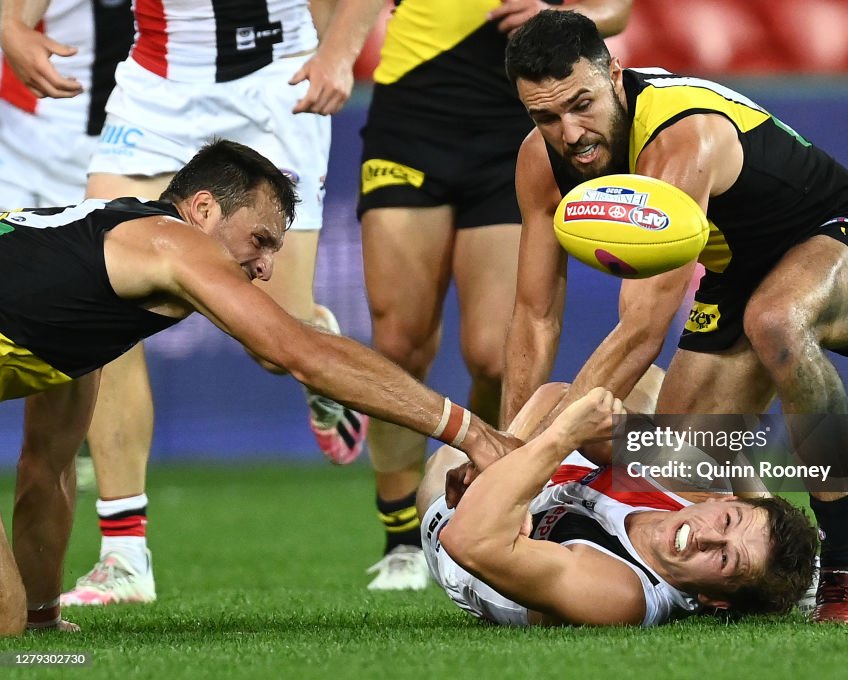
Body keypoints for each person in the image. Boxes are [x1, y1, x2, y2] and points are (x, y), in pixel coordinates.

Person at [0, 140, 516, 635]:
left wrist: (39, 619)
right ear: (202, 209)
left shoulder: (78, 288)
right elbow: (301, 352)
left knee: (15, 621)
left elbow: (46, 469)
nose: (266, 268)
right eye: (260, 240)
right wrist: (468, 432)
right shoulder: (170, 240)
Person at [501, 11, 848, 623]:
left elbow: (641, 328)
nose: (570, 132)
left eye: (581, 104)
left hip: (841, 229)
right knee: (684, 464)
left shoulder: (677, 139)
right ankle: (797, 561)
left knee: (778, 321)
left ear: (614, 73)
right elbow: (532, 316)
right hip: (737, 268)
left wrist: (532, 464)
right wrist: (507, 456)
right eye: (546, 117)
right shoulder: (540, 161)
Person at [1, 0, 384, 606]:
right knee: (103, 302)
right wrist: (12, 26)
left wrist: (339, 47)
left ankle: (314, 334)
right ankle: (124, 553)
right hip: (156, 82)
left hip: (277, 78)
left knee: (277, 345)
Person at [356, 0, 632, 591]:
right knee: (398, 343)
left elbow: (615, 14)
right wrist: (333, 55)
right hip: (414, 114)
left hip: (514, 119)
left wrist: (552, 13)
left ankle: (487, 481)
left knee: (488, 354)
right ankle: (401, 530)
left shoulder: (564, 133)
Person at [417, 383, 818, 625]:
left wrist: (556, 440)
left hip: (458, 525)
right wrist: (506, 453)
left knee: (447, 462)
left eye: (726, 560)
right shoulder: (691, 482)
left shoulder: (622, 594)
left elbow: (468, 539)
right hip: (549, 477)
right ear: (722, 499)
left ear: (715, 601)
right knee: (656, 389)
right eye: (728, 520)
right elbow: (558, 394)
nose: (707, 537)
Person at [0, 0, 134, 492]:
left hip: (113, 145)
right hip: (15, 134)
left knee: (94, 302)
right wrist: (9, 25)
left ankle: (65, 446)